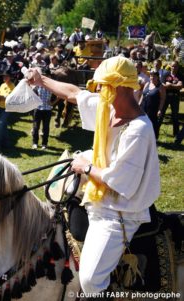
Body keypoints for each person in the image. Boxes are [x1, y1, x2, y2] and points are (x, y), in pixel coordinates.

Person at [27, 56, 160, 296]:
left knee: (89, 280)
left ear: (119, 87)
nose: (97, 89)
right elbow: (73, 93)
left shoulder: (139, 130)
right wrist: (41, 79)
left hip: (117, 212)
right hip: (98, 196)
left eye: (102, 85)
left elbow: (119, 182)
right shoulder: (108, 107)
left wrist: (86, 167)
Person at [139, 71, 166, 139]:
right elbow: (143, 95)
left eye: (154, 76)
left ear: (158, 77)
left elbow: (163, 99)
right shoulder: (147, 84)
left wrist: (160, 109)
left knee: (152, 124)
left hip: (153, 109)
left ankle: (153, 139)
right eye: (151, 76)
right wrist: (139, 104)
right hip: (143, 107)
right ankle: (143, 136)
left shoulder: (160, 87)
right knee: (142, 122)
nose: (152, 77)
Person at [159, 61, 183, 136]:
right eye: (173, 66)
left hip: (175, 97)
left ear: (178, 67)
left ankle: (176, 134)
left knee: (175, 116)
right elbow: (163, 85)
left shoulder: (181, 76)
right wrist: (175, 85)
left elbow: (180, 86)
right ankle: (156, 130)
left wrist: (170, 85)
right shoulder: (165, 74)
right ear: (170, 66)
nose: (174, 68)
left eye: (175, 66)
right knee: (161, 114)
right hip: (165, 96)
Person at [31, 72, 53, 149]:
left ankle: (44, 144)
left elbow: (59, 95)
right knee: (36, 127)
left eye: (47, 76)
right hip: (38, 109)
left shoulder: (52, 87)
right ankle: (35, 143)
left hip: (47, 110)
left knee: (46, 128)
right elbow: (32, 94)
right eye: (44, 76)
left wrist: (53, 102)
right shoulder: (37, 86)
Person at [0, 71, 14, 149]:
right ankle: (7, 144)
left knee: (0, 125)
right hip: (0, 107)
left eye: (6, 76)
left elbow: (11, 97)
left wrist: (3, 97)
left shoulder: (12, 86)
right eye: (4, 76)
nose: (4, 78)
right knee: (4, 126)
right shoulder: (2, 85)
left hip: (7, 109)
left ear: (10, 77)